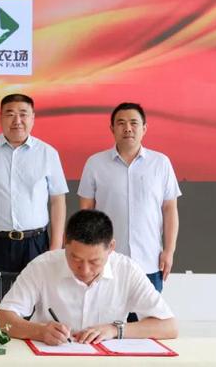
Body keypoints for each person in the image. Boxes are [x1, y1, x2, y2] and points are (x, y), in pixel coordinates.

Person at [0, 209, 178, 345]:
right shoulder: (43, 266)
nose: (84, 270)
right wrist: (39, 331)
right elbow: (2, 317)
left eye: (94, 261)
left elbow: (169, 326)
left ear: (111, 247)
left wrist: (114, 330)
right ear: (65, 242)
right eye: (75, 258)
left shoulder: (127, 271)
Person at [0, 93, 68, 302]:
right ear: (0, 117)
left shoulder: (47, 153)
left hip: (35, 244)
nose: (17, 120)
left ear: (33, 118)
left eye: (23, 114)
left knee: (35, 306)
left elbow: (57, 200)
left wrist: (55, 246)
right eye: (10, 114)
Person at [77, 102, 181, 303]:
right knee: (106, 318)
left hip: (150, 260)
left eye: (134, 123)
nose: (128, 128)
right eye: (121, 123)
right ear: (112, 129)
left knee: (146, 319)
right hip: (106, 261)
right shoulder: (95, 164)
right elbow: (86, 211)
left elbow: (170, 209)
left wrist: (169, 251)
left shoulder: (161, 163)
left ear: (144, 128)